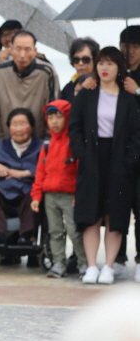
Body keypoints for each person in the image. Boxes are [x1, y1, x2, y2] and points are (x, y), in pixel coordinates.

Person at [69, 47, 140, 285]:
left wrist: (129, 160)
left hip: (120, 160)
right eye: (101, 63)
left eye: (110, 64)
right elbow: (75, 126)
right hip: (92, 158)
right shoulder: (87, 93)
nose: (104, 68)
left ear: (119, 67)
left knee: (115, 213)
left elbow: (136, 134)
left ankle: (109, 266)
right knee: (91, 214)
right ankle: (91, 265)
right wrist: (81, 154)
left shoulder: (129, 98)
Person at [30, 100, 86, 278]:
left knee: (74, 231)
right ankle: (58, 262)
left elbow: (80, 172)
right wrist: (36, 196)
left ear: (67, 117)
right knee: (54, 231)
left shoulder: (73, 144)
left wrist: (79, 194)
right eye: (50, 117)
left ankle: (84, 262)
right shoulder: (47, 146)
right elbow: (40, 173)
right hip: (50, 196)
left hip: (69, 196)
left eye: (59, 117)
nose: (54, 122)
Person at [0, 108, 42, 246]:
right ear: (9, 128)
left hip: (26, 191)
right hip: (3, 191)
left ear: (32, 127)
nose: (18, 129)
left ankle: (27, 235)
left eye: (23, 124)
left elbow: (50, 168)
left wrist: (25, 173)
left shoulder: (40, 147)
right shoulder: (1, 146)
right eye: (14, 124)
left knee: (34, 195)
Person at [0, 31, 60, 140]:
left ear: (35, 51)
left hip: (40, 141)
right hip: (6, 142)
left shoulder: (46, 72)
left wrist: (47, 141)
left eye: (27, 49)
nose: (22, 55)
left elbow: (53, 107)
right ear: (11, 49)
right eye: (18, 49)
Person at [115, 26, 140, 279]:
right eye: (125, 44)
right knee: (118, 207)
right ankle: (118, 258)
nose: (128, 51)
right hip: (120, 152)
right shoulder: (116, 74)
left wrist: (138, 90)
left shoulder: (133, 80)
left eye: (134, 45)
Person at [62, 38, 99, 103]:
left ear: (95, 60)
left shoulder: (103, 84)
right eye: (76, 59)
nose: (80, 63)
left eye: (86, 59)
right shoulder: (67, 89)